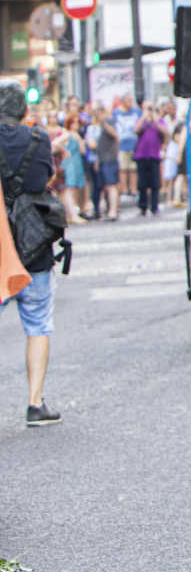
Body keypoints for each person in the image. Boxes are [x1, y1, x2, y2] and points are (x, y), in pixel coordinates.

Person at [0, 81, 65, 425]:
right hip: (33, 243)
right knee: (38, 323)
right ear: (24, 110)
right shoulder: (38, 139)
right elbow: (44, 179)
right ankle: (35, 403)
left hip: (0, 250)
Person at [132, 107, 165, 216]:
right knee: (142, 183)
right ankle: (143, 206)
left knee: (155, 183)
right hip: (141, 155)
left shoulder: (159, 120)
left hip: (154, 155)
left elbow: (164, 132)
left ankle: (154, 206)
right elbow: (136, 130)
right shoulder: (140, 120)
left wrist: (155, 119)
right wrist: (143, 117)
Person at [91, 113, 120, 221]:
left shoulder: (109, 122)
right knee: (103, 187)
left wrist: (103, 123)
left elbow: (115, 134)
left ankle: (113, 210)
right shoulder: (97, 127)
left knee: (112, 185)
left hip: (110, 159)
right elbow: (99, 146)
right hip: (102, 159)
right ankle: (108, 209)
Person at [110, 94, 140, 198]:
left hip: (134, 144)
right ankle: (124, 189)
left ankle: (133, 189)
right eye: (128, 100)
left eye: (131, 100)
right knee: (122, 169)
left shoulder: (136, 111)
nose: (130, 102)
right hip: (121, 144)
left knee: (133, 168)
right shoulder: (116, 112)